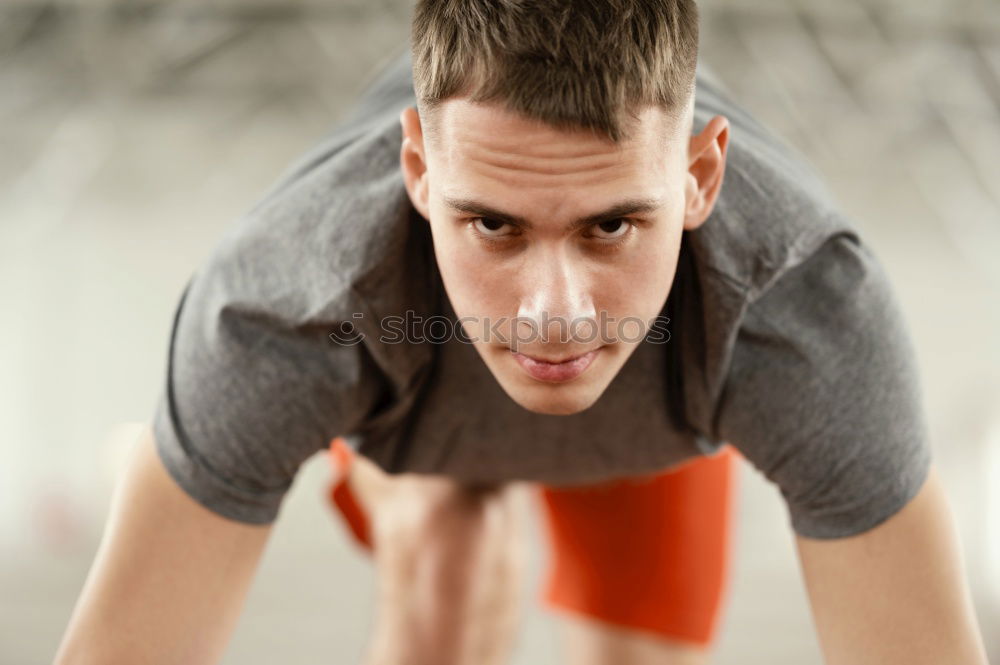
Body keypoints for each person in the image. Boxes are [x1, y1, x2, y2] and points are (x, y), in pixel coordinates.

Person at [54, 1, 990, 665]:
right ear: (417, 168)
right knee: (448, 568)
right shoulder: (282, 310)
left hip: (659, 417)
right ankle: (174, 457)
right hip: (415, 409)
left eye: (612, 224)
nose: (555, 314)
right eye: (494, 223)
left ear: (701, 179)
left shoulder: (805, 310)